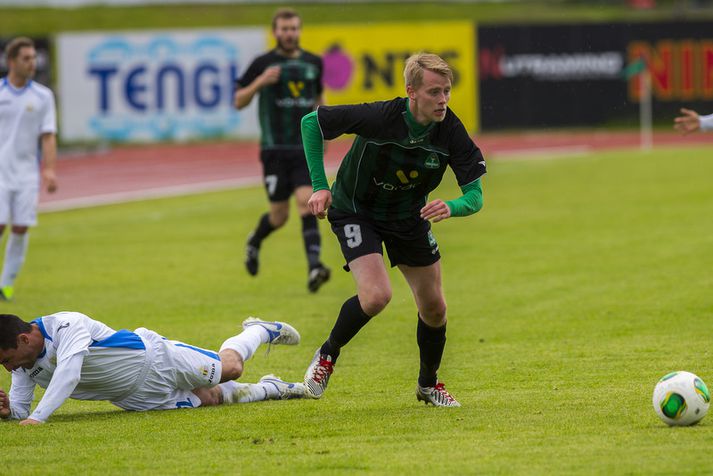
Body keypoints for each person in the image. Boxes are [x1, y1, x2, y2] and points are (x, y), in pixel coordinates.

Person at [299, 53, 486, 407]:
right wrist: (320, 185)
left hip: (407, 217)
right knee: (376, 296)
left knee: (435, 309)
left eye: (447, 91)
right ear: (411, 91)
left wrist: (452, 206)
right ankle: (326, 356)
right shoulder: (381, 116)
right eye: (434, 92)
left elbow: (475, 196)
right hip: (356, 210)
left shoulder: (450, 130)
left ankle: (428, 385)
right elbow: (312, 121)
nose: (443, 99)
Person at [0, 312, 305, 424]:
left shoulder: (67, 325)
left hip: (156, 358)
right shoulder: (24, 365)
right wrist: (8, 411)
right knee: (211, 398)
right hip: (134, 397)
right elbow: (20, 408)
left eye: (5, 360)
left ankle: (260, 330)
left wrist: (40, 418)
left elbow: (70, 372)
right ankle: (273, 388)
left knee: (232, 368)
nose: (7, 369)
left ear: (24, 339)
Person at [234, 8, 330, 292]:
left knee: (305, 203)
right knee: (279, 217)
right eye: (284, 29)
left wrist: (324, 132)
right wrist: (261, 82)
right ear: (276, 32)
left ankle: (315, 266)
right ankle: (255, 241)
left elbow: (318, 99)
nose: (289, 34)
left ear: (300, 30)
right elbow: (239, 100)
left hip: (303, 148)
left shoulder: (314, 63)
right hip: (274, 150)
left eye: (294, 29)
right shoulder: (263, 63)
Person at [0, 37, 58, 302]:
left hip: (26, 174)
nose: (32, 63)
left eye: (34, 57)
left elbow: (48, 135)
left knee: (21, 227)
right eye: (26, 58)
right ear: (12, 62)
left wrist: (49, 170)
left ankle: (6, 285)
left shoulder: (43, 96)